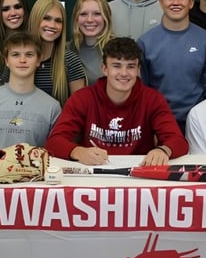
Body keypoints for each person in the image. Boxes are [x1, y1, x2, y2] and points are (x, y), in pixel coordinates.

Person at [46, 37, 188, 166]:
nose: (124, 73)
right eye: (117, 65)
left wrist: (163, 150)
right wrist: (78, 152)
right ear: (104, 69)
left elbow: (179, 141)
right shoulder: (83, 98)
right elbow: (54, 142)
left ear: (138, 69)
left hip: (138, 174)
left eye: (131, 66)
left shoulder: (152, 99)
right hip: (94, 173)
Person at [138, 0, 206, 132]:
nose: (175, 2)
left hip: (199, 123)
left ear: (191, 3)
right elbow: (143, 91)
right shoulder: (145, 43)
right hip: (158, 122)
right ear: (161, 2)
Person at [0, 32, 61, 155]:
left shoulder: (52, 107)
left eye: (29, 55)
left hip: (35, 174)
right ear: (6, 60)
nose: (22, 60)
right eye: (15, 55)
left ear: (38, 60)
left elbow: (52, 159)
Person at [1, 0, 85, 105]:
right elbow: (3, 100)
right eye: (46, 18)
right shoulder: (17, 59)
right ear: (35, 19)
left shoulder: (71, 61)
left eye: (58, 21)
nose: (52, 25)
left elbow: (80, 107)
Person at [70, 0, 114, 86]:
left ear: (106, 17)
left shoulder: (119, 49)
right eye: (83, 14)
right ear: (76, 18)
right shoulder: (68, 50)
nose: (89, 20)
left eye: (97, 14)